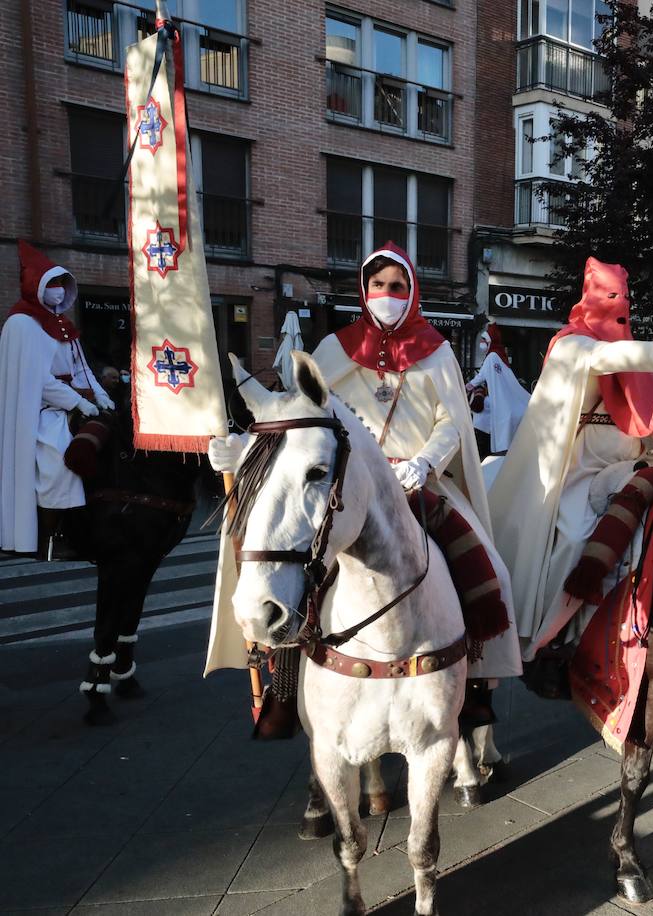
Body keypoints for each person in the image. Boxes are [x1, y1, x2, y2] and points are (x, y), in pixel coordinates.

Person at [208, 243, 519, 768]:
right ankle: (285, 690)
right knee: (294, 569)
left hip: (418, 481)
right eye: (378, 286)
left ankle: (473, 689)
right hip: (345, 482)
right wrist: (241, 449)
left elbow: (452, 421)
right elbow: (295, 417)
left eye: (397, 287)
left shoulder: (437, 350)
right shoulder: (333, 348)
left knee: (492, 573)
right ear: (364, 290)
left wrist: (425, 461)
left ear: (412, 292)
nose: (387, 295)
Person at [487, 256, 653, 695]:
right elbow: (603, 357)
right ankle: (553, 631)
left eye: (624, 296)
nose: (619, 304)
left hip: (626, 465)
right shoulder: (571, 346)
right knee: (575, 534)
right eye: (609, 295)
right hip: (577, 469)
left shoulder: (627, 347)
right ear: (590, 296)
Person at [0, 241, 115, 559]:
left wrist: (101, 396)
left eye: (63, 283)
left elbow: (82, 368)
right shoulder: (22, 323)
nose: (60, 290)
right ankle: (51, 536)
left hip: (72, 402)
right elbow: (38, 379)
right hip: (40, 410)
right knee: (59, 460)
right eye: (53, 284)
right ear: (36, 285)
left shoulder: (63, 324)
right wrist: (78, 403)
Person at [466, 321, 530, 458]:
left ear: (489, 341)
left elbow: (482, 375)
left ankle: (484, 447)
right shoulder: (497, 355)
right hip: (499, 397)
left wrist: (468, 386)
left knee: (481, 414)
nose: (481, 343)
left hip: (500, 399)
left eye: (484, 340)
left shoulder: (492, 357)